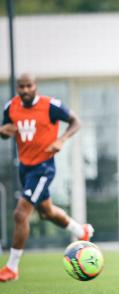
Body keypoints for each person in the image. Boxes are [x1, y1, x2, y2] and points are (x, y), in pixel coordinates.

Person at [0, 73, 94, 282]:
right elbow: (6, 130)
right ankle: (81, 231)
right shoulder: (11, 107)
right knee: (47, 212)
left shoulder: (50, 105)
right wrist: (3, 132)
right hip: (24, 168)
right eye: (21, 87)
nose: (25, 90)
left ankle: (12, 267)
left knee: (20, 213)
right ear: (17, 88)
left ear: (36, 86)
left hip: (43, 167)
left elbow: (75, 122)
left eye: (29, 86)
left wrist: (61, 139)